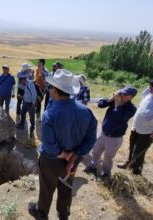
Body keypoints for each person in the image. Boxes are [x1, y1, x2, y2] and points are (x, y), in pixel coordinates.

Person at [29, 69, 97, 220]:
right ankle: (63, 214)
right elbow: (91, 140)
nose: (50, 89)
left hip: (51, 161)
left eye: (51, 87)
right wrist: (74, 156)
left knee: (47, 188)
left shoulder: (50, 114)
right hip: (72, 162)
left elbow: (50, 146)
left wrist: (64, 155)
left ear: (54, 90)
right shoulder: (87, 112)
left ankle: (41, 214)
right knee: (66, 187)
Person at [117, 77, 153, 175]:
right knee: (132, 148)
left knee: (139, 153)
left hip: (148, 132)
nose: (150, 87)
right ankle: (128, 163)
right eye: (150, 85)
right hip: (136, 128)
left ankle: (136, 173)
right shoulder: (149, 95)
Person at [84, 86, 138, 178]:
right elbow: (100, 105)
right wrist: (111, 99)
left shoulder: (131, 108)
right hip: (103, 132)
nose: (121, 95)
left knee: (108, 157)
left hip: (115, 137)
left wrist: (117, 103)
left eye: (125, 94)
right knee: (96, 151)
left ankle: (106, 173)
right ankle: (93, 166)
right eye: (121, 92)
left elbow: (118, 117)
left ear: (131, 97)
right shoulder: (114, 100)